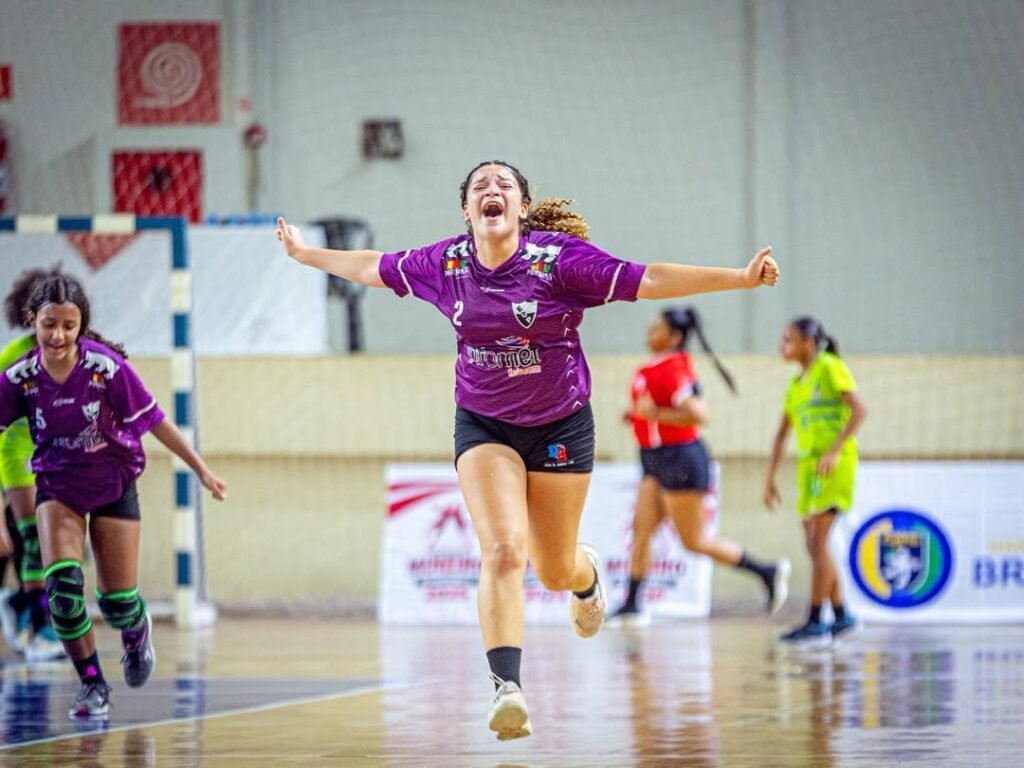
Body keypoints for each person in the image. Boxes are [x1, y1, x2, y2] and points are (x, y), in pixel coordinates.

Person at [274, 160, 779, 740]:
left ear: (522, 207)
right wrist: (306, 255)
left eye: (504, 185)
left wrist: (740, 278)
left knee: (553, 568)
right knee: (503, 551)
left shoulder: (558, 261)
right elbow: (371, 265)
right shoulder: (446, 264)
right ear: (466, 211)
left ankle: (585, 578)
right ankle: (507, 689)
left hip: (560, 424)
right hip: (483, 423)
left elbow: (650, 279)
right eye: (479, 186)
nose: (491, 191)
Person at [0, 273, 228, 718]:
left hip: (112, 483)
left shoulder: (105, 368)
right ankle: (92, 684)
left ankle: (135, 630)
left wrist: (201, 469)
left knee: (117, 601)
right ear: (32, 321)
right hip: (57, 488)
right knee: (64, 594)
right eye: (49, 324)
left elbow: (156, 420)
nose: (58, 335)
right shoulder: (18, 377)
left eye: (69, 325)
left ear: (81, 326)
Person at [609, 306, 790, 626]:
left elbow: (698, 413)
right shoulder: (653, 366)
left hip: (680, 459)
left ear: (674, 336)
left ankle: (767, 571)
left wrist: (655, 415)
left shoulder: (675, 368)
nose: (650, 329)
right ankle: (632, 604)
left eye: (657, 326)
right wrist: (638, 416)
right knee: (641, 529)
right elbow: (655, 409)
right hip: (653, 457)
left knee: (694, 541)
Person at [763, 317, 867, 646]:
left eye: (789, 339)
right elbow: (781, 435)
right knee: (813, 545)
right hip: (807, 469)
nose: (782, 346)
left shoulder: (829, 366)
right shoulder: (796, 385)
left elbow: (859, 410)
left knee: (818, 543)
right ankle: (841, 616)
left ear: (808, 343)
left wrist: (834, 451)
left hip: (832, 465)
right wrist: (769, 478)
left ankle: (815, 621)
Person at [0, 267, 65, 661]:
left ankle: (20, 604)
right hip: (18, 450)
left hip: (58, 453)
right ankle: (41, 629)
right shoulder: (13, 357)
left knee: (59, 543)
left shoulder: (75, 353)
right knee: (35, 537)